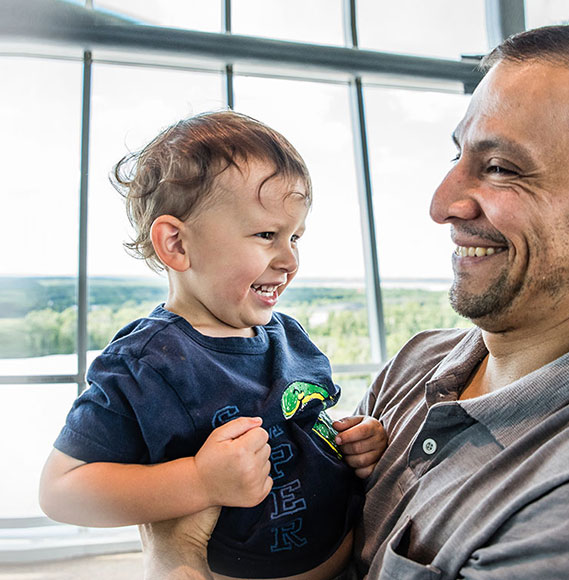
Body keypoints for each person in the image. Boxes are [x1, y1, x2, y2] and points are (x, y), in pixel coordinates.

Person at [143, 24, 569, 579]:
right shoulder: (419, 363)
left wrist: (177, 556)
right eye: (459, 158)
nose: (442, 202)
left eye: (500, 168)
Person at [38, 110, 386, 580]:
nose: (289, 260)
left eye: (295, 236)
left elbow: (305, 425)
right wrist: (199, 481)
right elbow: (61, 490)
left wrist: (350, 441)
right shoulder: (147, 363)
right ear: (177, 244)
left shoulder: (287, 335)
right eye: (266, 235)